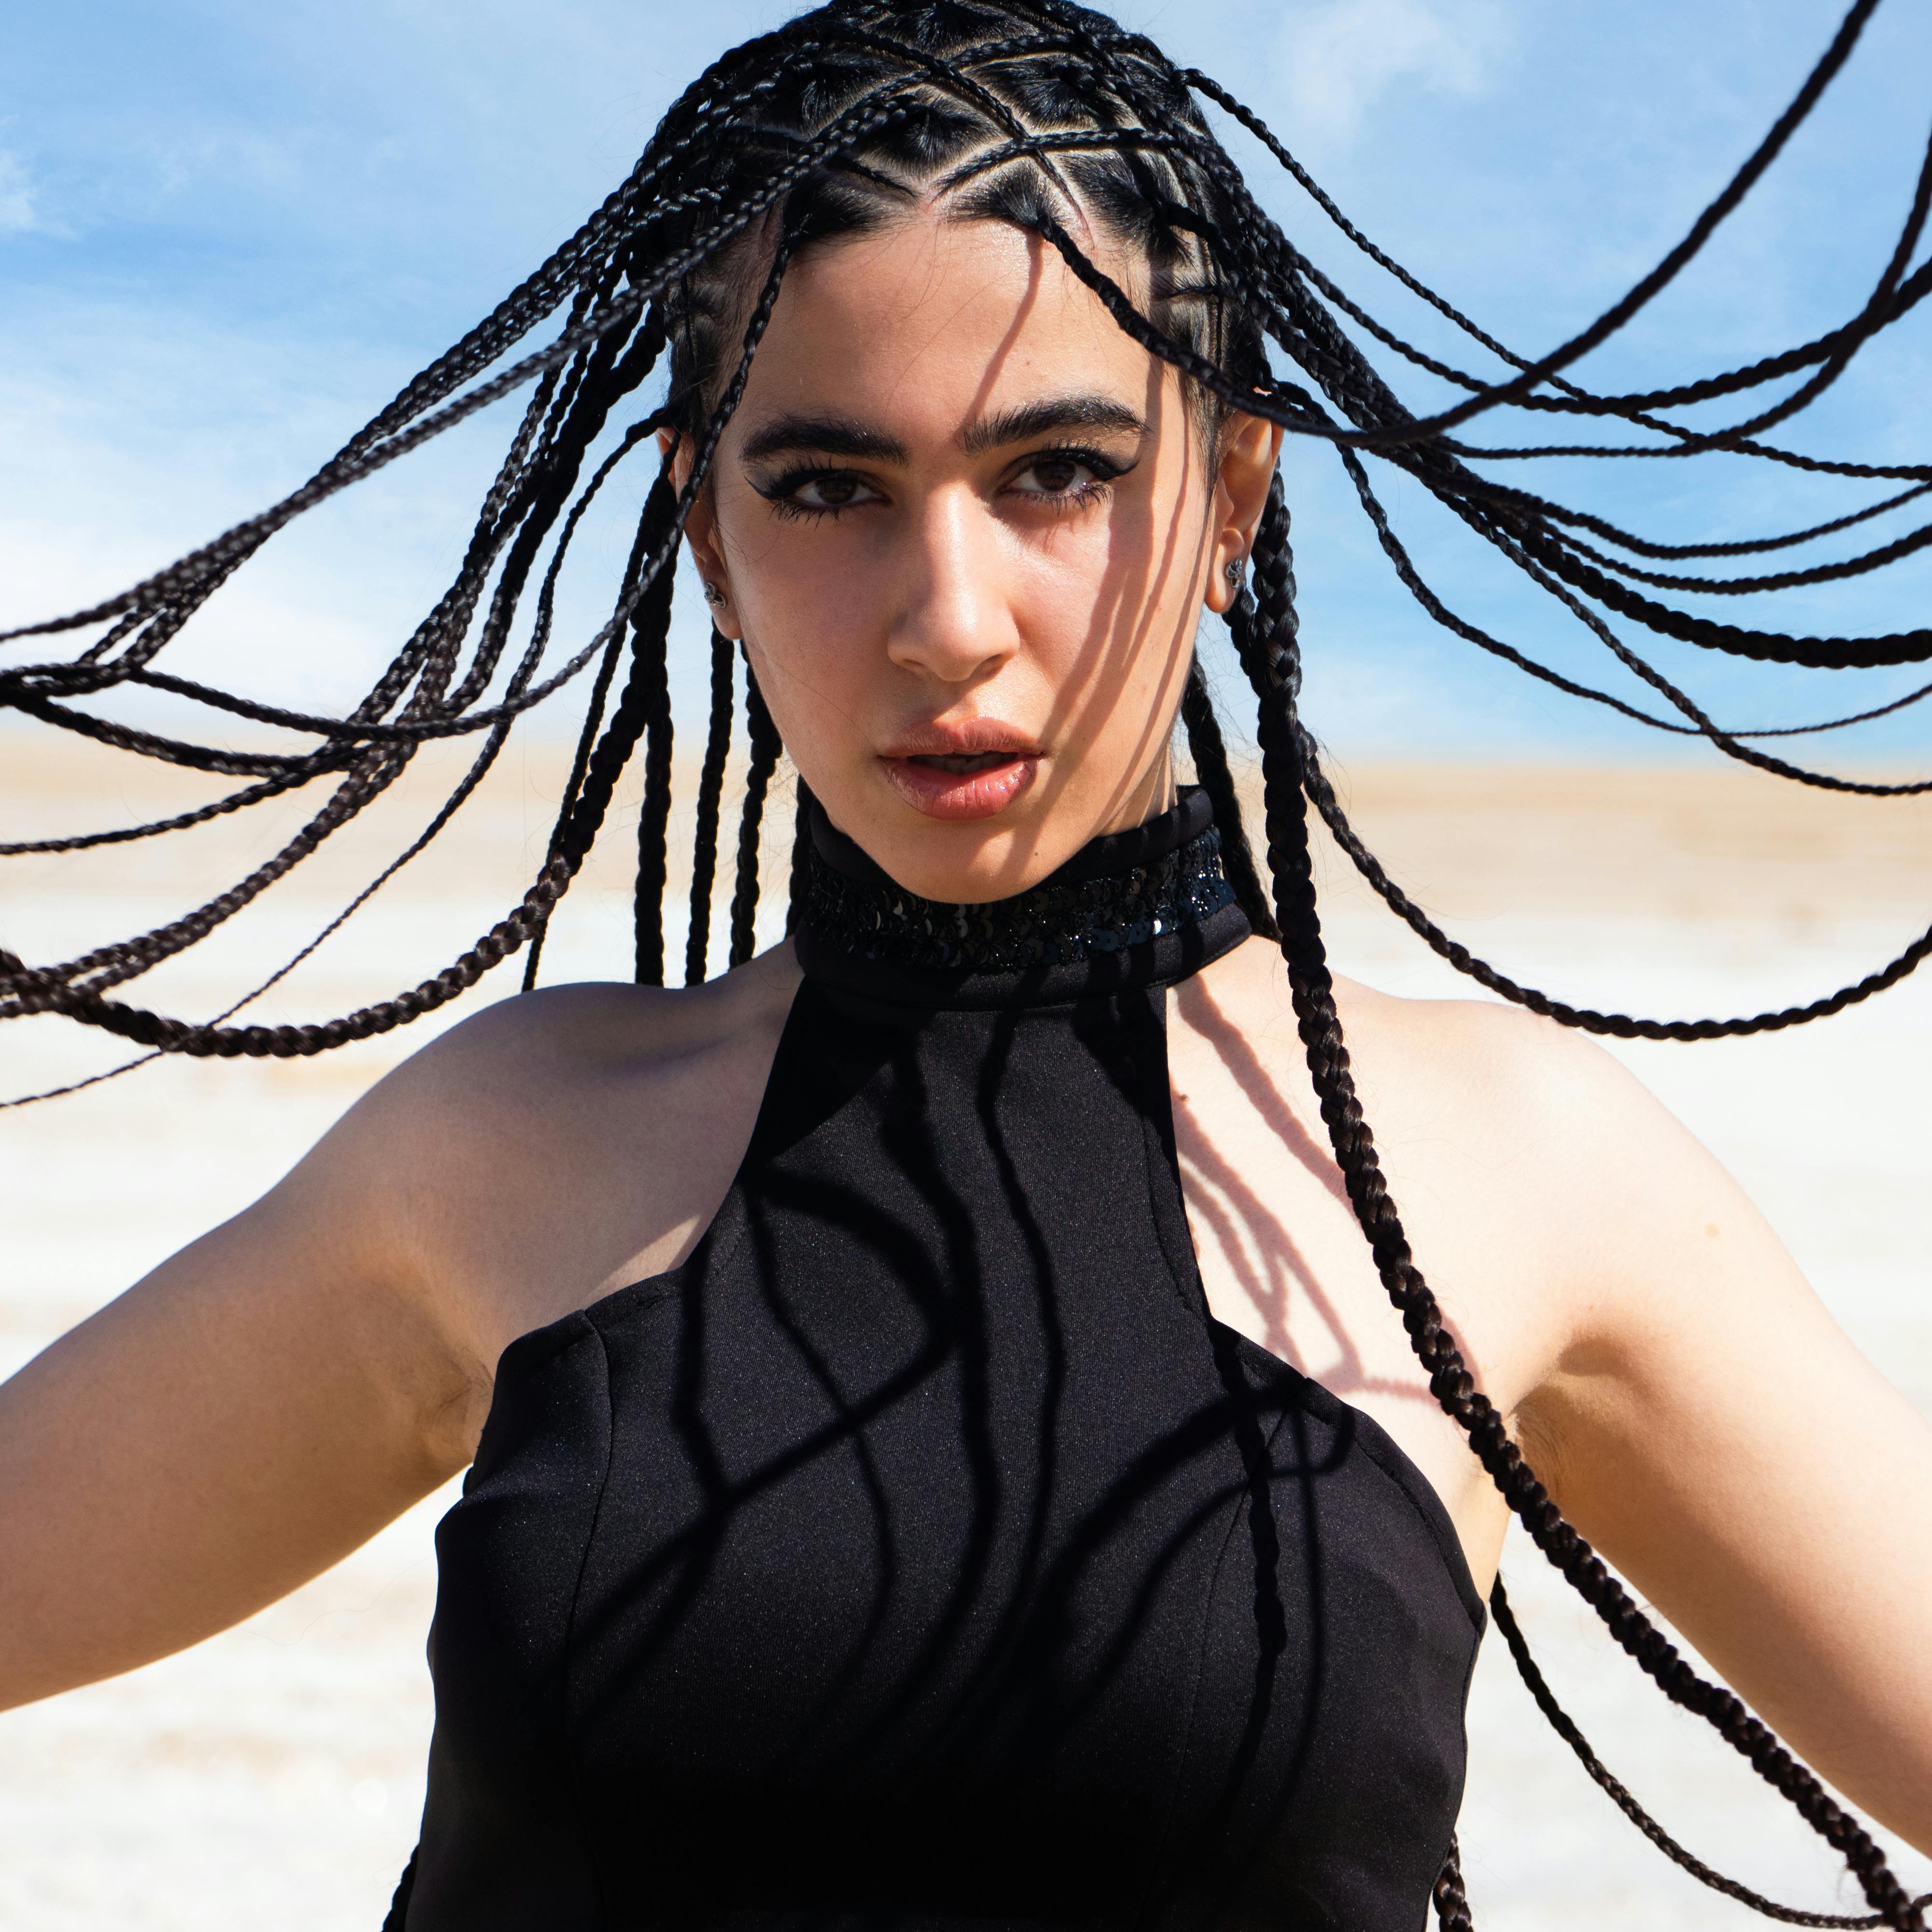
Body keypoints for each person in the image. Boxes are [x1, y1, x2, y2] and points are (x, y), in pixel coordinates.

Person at [2, 1, 1930, 1926]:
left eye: (1057, 474)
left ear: (1232, 492)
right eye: (829, 487)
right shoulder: (507, 1146)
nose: (946, 616)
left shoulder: (1513, 1171)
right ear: (702, 524)